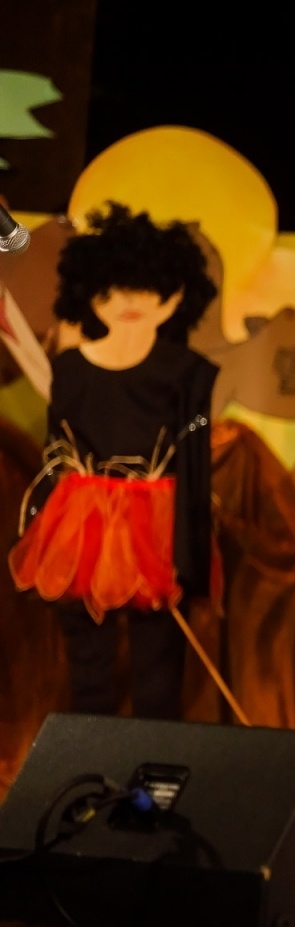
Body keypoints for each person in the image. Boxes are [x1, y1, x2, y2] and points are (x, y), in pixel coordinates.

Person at [12, 204, 219, 720]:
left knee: (158, 675)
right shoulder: (71, 371)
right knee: (89, 673)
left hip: (156, 533)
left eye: (146, 288)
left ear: (174, 298)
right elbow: (55, 454)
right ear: (91, 296)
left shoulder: (187, 372)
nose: (130, 302)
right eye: (115, 288)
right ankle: (90, 782)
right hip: (83, 529)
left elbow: (193, 464)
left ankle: (154, 784)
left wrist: (189, 561)